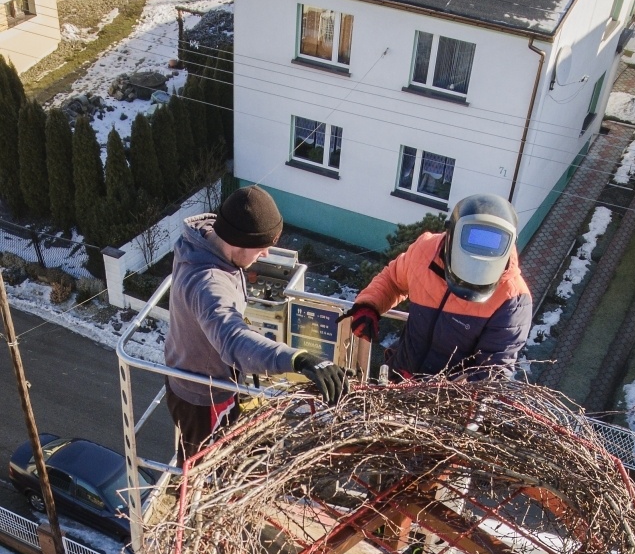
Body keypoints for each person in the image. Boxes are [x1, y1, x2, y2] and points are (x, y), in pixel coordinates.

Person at [164, 185, 345, 460]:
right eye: (261, 248)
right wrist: (298, 359)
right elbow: (233, 339)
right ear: (238, 241)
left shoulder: (205, 240)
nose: (266, 256)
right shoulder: (209, 284)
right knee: (200, 469)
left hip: (191, 374)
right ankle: (189, 500)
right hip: (203, 395)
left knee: (205, 455)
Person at [346, 193, 532, 379]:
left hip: (447, 400)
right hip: (400, 371)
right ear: (450, 238)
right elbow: (393, 280)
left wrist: (428, 390)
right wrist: (369, 305)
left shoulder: (513, 300)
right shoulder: (425, 251)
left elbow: (490, 375)